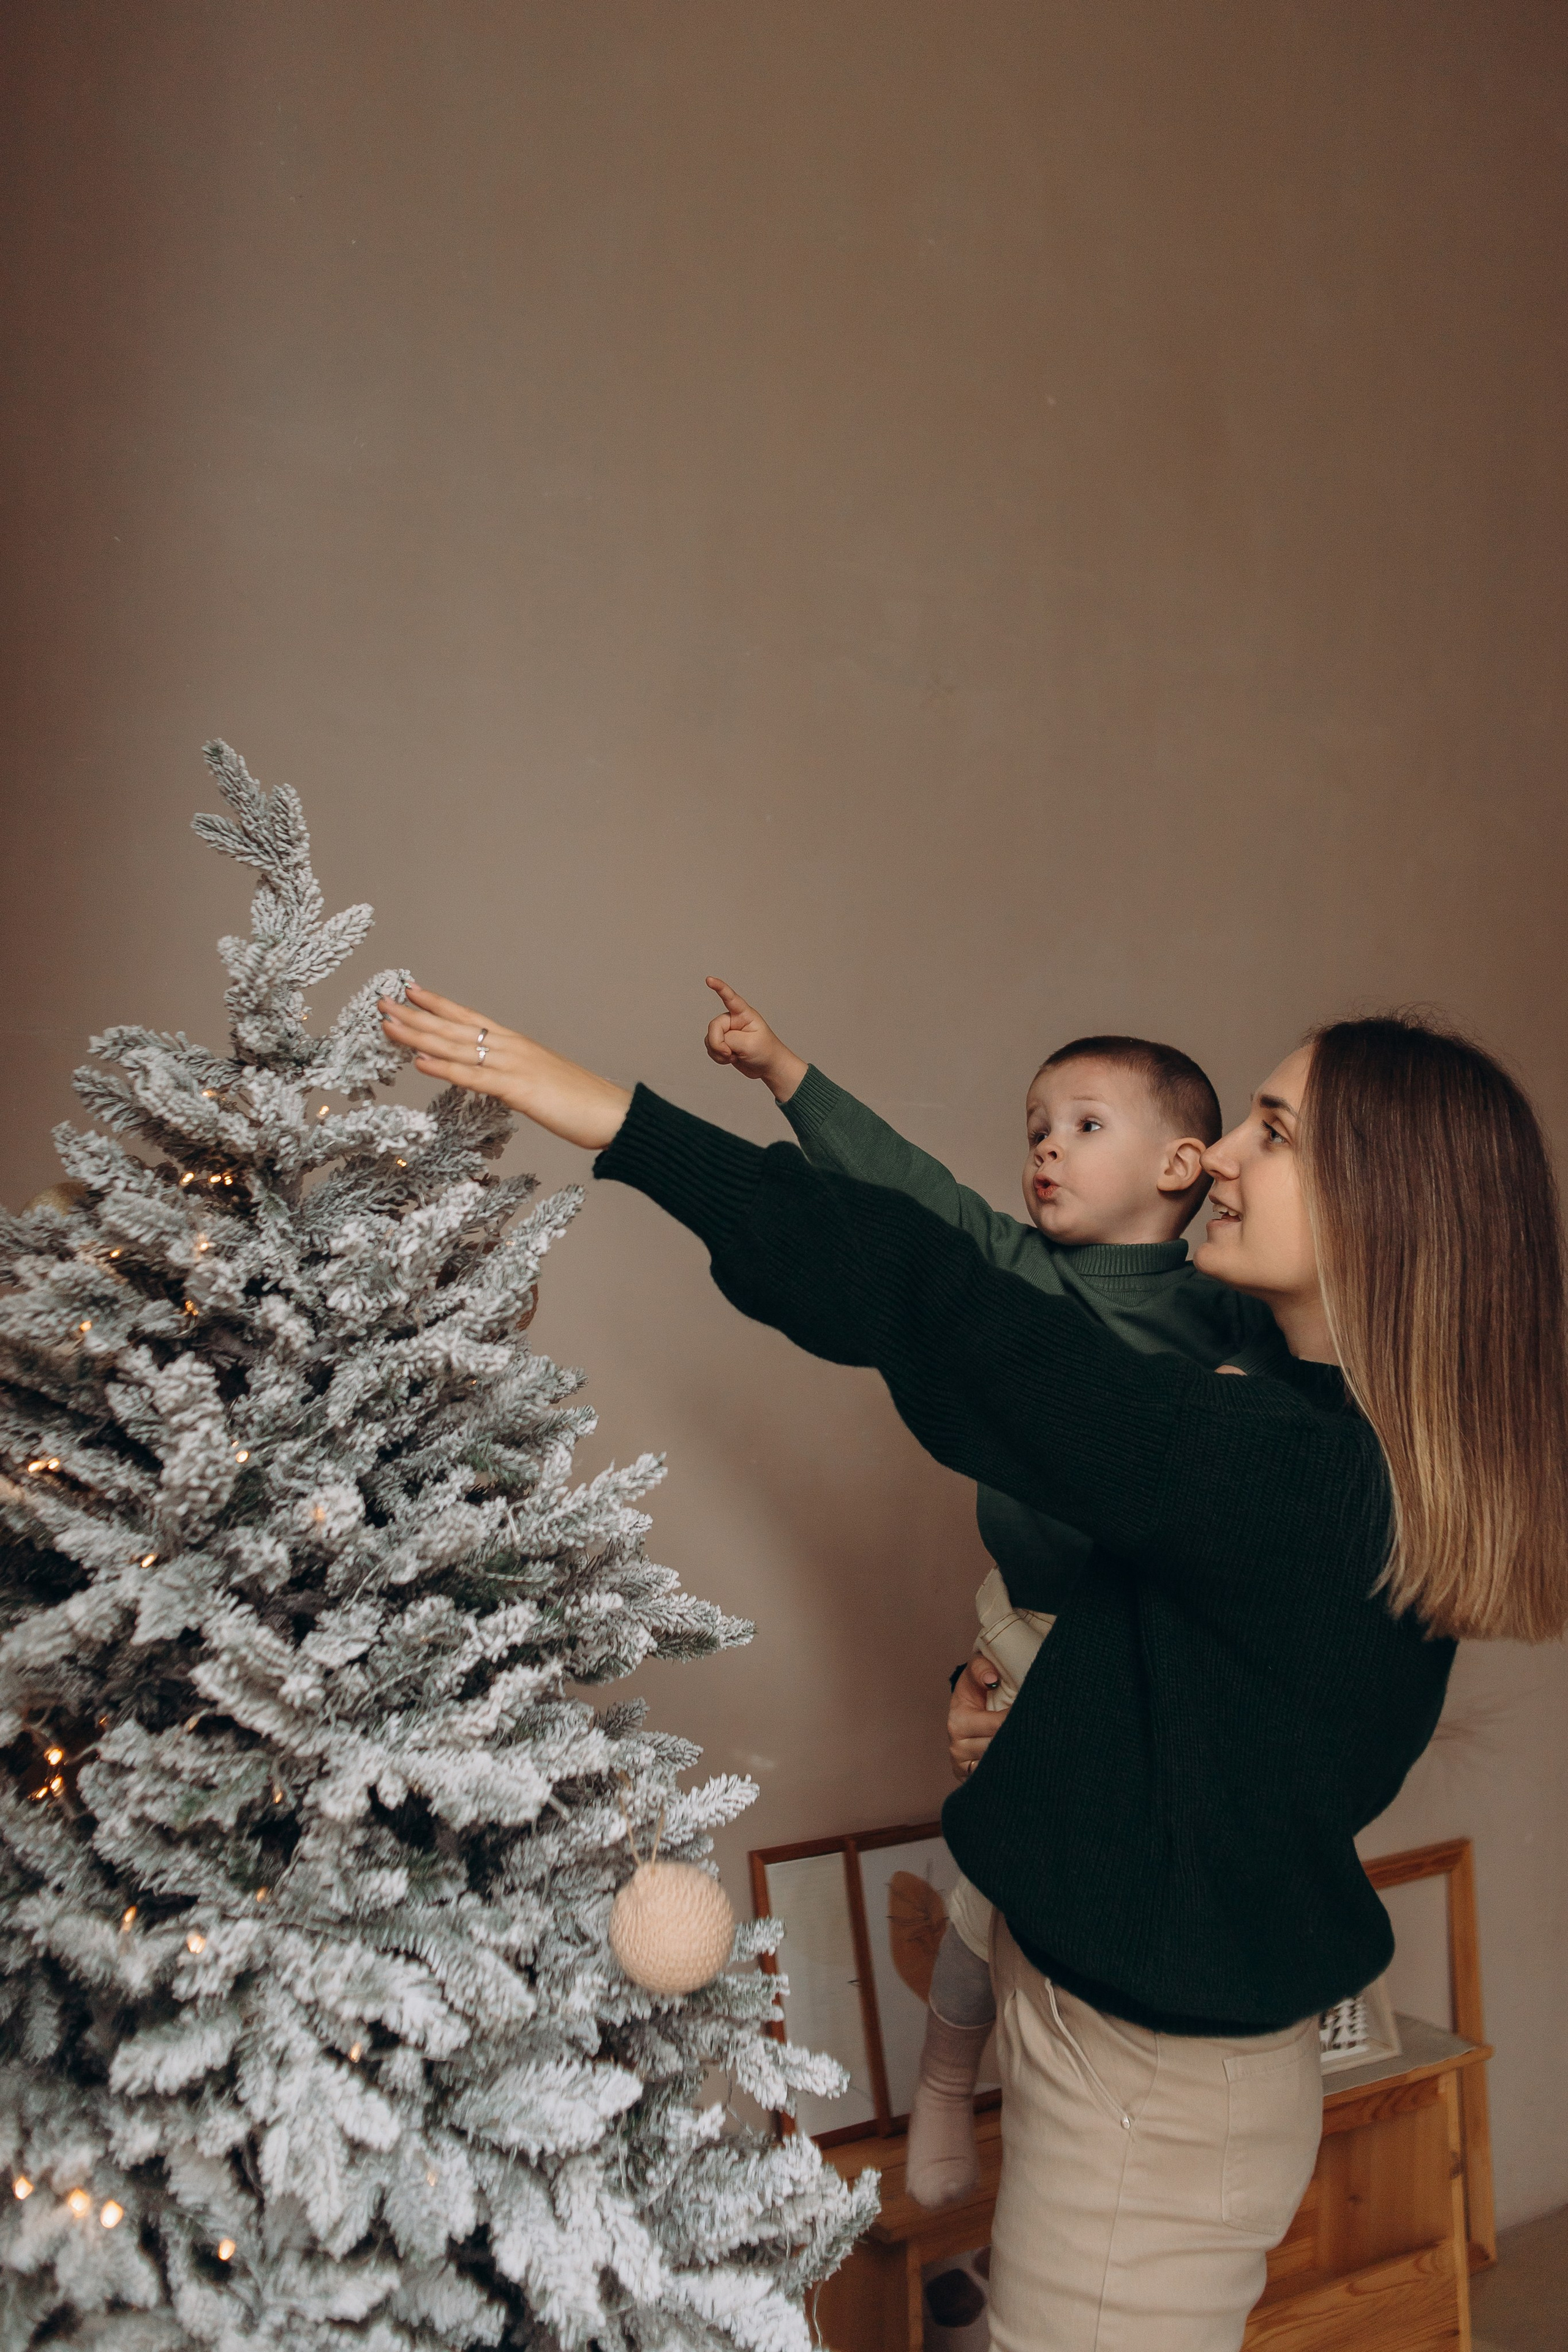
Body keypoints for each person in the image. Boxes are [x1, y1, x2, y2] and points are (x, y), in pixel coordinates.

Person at [378, 984, 1568, 2352]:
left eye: (1274, 1133)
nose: (1223, 1158)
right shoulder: (1308, 1421)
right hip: (1128, 2040)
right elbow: (1204, 1685)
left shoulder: (1292, 1467)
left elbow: (955, 1308)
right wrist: (1037, 1724)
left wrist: (626, 1125)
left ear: (1387, 1207)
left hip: (1153, 2089)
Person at [699, 976, 1291, 2207]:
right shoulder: (1013, 1272)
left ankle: (1120, 2119)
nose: (1043, 1150)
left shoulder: (1231, 1312)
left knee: (1098, 1893)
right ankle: (949, 2077)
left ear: (1185, 1162)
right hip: (1024, 1629)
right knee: (989, 1894)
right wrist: (783, 1072)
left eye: (1083, 1125)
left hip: (1152, 1653)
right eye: (1033, 1128)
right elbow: (905, 1187)